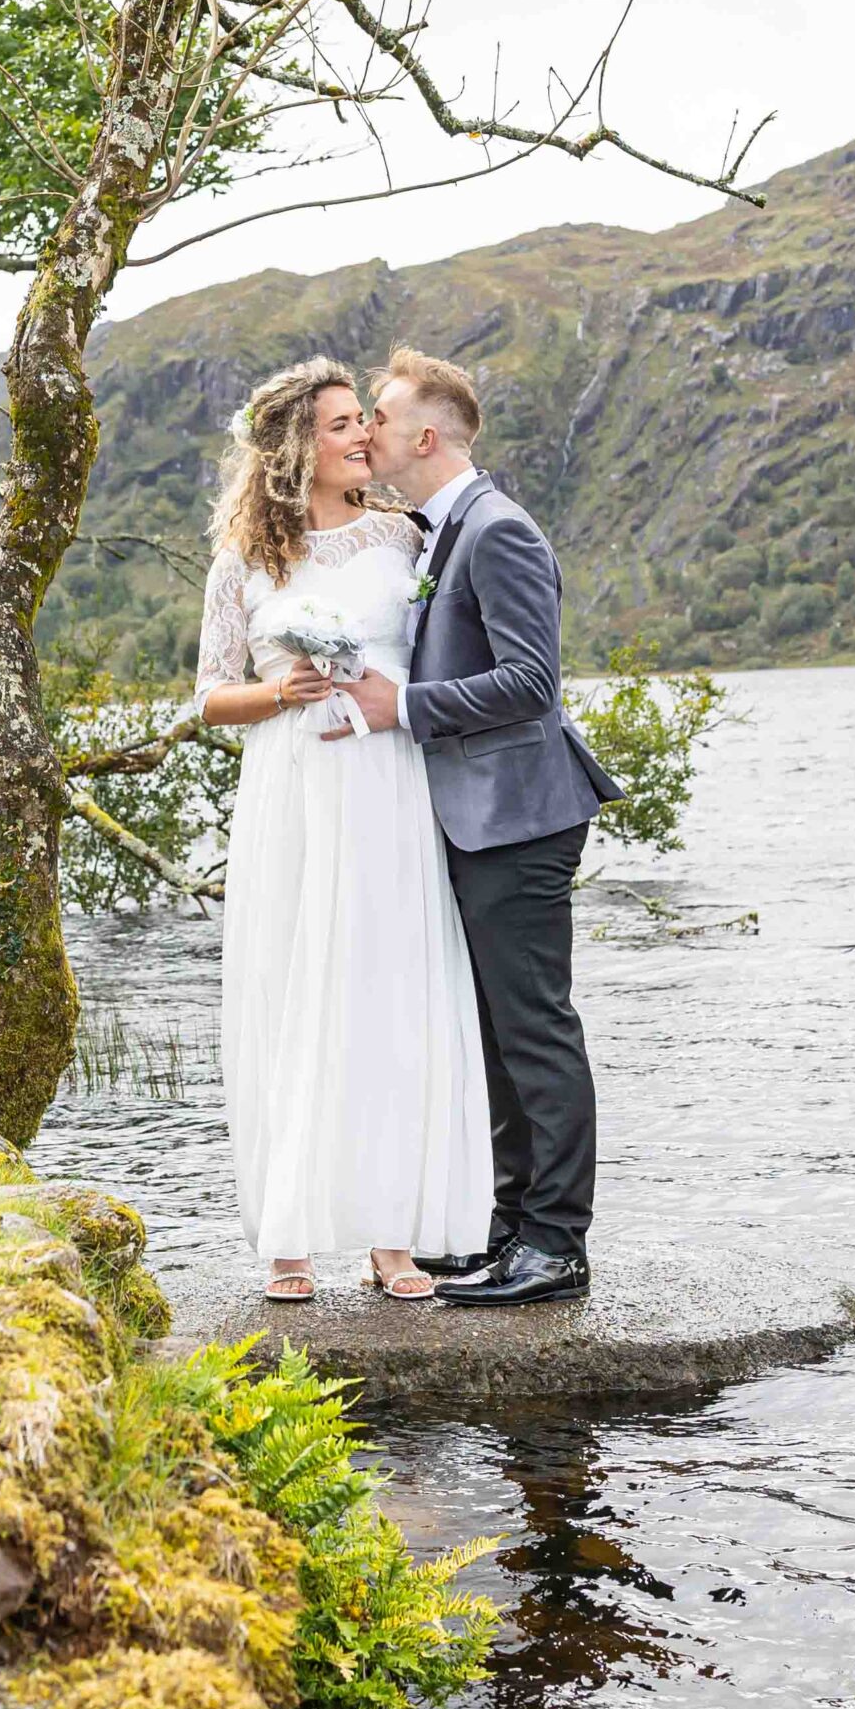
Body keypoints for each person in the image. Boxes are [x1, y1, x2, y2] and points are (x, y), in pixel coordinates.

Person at [194, 357, 493, 1304]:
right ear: (294, 446)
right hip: (293, 791)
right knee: (294, 996)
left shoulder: (406, 541)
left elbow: (444, 664)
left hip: (386, 788)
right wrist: (279, 691)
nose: (362, 434)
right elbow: (208, 697)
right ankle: (289, 1232)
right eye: (339, 424)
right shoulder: (246, 558)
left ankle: (390, 1236)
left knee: (388, 996)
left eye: (363, 419)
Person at [329, 346, 619, 1308]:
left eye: (377, 412)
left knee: (534, 1028)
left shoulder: (497, 531)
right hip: (473, 816)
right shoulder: (437, 531)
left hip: (520, 817)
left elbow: (533, 685)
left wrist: (402, 704)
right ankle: (509, 1227)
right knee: (492, 1030)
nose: (365, 426)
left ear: (423, 434)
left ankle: (558, 1244)